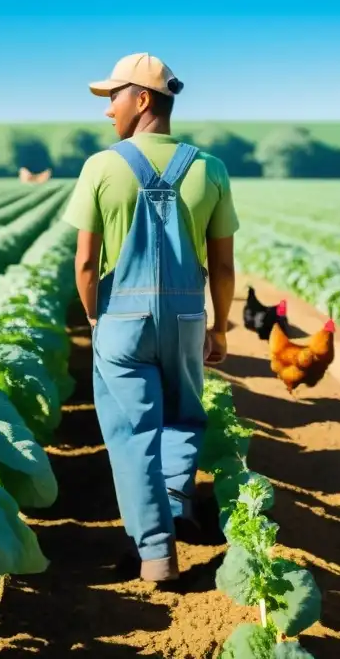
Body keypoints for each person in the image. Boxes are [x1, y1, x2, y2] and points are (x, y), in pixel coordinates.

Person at [62, 52, 239, 583]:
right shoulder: (209, 168)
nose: (106, 110)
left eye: (112, 97)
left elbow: (86, 263)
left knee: (133, 434)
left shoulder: (102, 166)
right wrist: (219, 325)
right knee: (184, 416)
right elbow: (223, 265)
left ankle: (157, 554)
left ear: (141, 100)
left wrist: (95, 318)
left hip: (122, 319)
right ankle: (176, 500)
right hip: (186, 317)